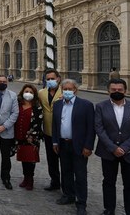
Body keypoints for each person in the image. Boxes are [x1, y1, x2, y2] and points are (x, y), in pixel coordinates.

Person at [95, 79, 130, 215]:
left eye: (120, 90)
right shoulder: (100, 107)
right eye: (113, 90)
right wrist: (113, 148)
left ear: (125, 91)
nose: (116, 92)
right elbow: (99, 129)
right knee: (108, 182)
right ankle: (109, 209)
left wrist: (124, 148)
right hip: (108, 152)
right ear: (108, 91)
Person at [52, 79, 95, 215]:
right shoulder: (58, 104)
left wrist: (88, 146)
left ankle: (81, 203)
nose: (67, 91)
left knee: (80, 175)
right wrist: (55, 142)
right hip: (63, 144)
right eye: (65, 89)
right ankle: (68, 195)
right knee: (66, 172)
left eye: (70, 89)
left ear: (75, 90)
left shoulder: (86, 105)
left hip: (79, 145)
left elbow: (91, 128)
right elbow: (55, 125)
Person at [38, 68, 63, 191]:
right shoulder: (41, 93)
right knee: (51, 159)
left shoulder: (65, 91)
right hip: (48, 132)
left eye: (53, 79)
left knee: (64, 161)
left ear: (58, 79)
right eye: (48, 79)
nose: (50, 81)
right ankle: (55, 181)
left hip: (63, 133)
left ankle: (67, 184)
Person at [14, 84, 43, 190]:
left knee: (31, 160)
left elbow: (39, 123)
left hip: (31, 138)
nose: (28, 94)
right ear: (22, 92)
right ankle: (25, 178)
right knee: (23, 159)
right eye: (26, 91)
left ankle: (30, 180)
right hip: (20, 136)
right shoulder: (17, 104)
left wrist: (31, 136)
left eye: (31, 92)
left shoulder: (37, 107)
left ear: (34, 94)